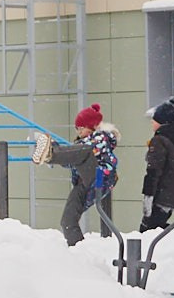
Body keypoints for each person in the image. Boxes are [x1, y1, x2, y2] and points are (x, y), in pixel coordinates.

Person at [35, 103, 119, 247]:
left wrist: (56, 150)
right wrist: (58, 149)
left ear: (92, 126)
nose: (79, 131)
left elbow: (86, 150)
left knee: (83, 151)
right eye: (77, 128)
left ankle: (50, 153)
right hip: (85, 182)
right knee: (68, 221)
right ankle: (78, 251)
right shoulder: (81, 145)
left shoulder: (100, 139)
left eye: (82, 128)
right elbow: (70, 161)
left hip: (100, 177)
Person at [139, 99, 174, 231]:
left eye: (155, 119)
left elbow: (153, 171)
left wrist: (148, 196)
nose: (152, 121)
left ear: (164, 122)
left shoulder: (160, 140)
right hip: (173, 195)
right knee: (158, 229)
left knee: (147, 232)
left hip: (160, 194)